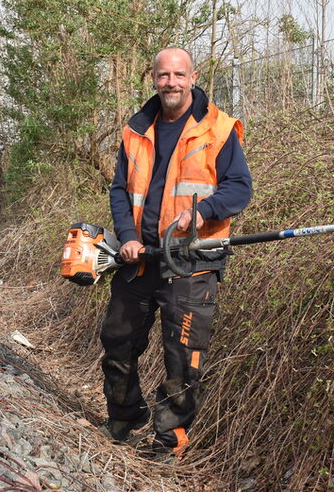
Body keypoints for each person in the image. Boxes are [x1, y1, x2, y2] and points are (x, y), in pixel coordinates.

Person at [102, 47, 253, 462]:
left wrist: (200, 213)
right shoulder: (136, 129)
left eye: (178, 75)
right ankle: (124, 415)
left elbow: (240, 188)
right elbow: (120, 190)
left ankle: (169, 441)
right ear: (153, 78)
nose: (171, 82)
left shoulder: (217, 128)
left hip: (192, 260)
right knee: (116, 339)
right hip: (141, 257)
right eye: (163, 75)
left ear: (193, 76)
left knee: (182, 358)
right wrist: (127, 236)